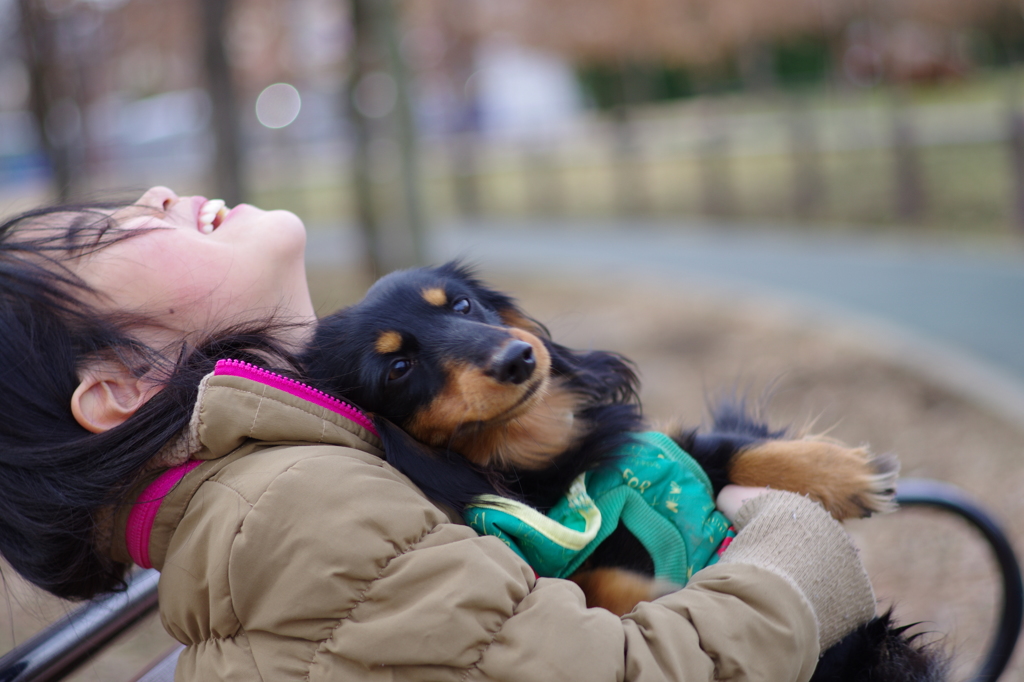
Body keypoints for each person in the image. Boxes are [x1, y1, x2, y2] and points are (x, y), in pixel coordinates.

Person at [0, 186, 877, 681]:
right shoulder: (297, 511)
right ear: (120, 388)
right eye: (101, 232)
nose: (150, 194)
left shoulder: (276, 497)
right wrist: (794, 547)